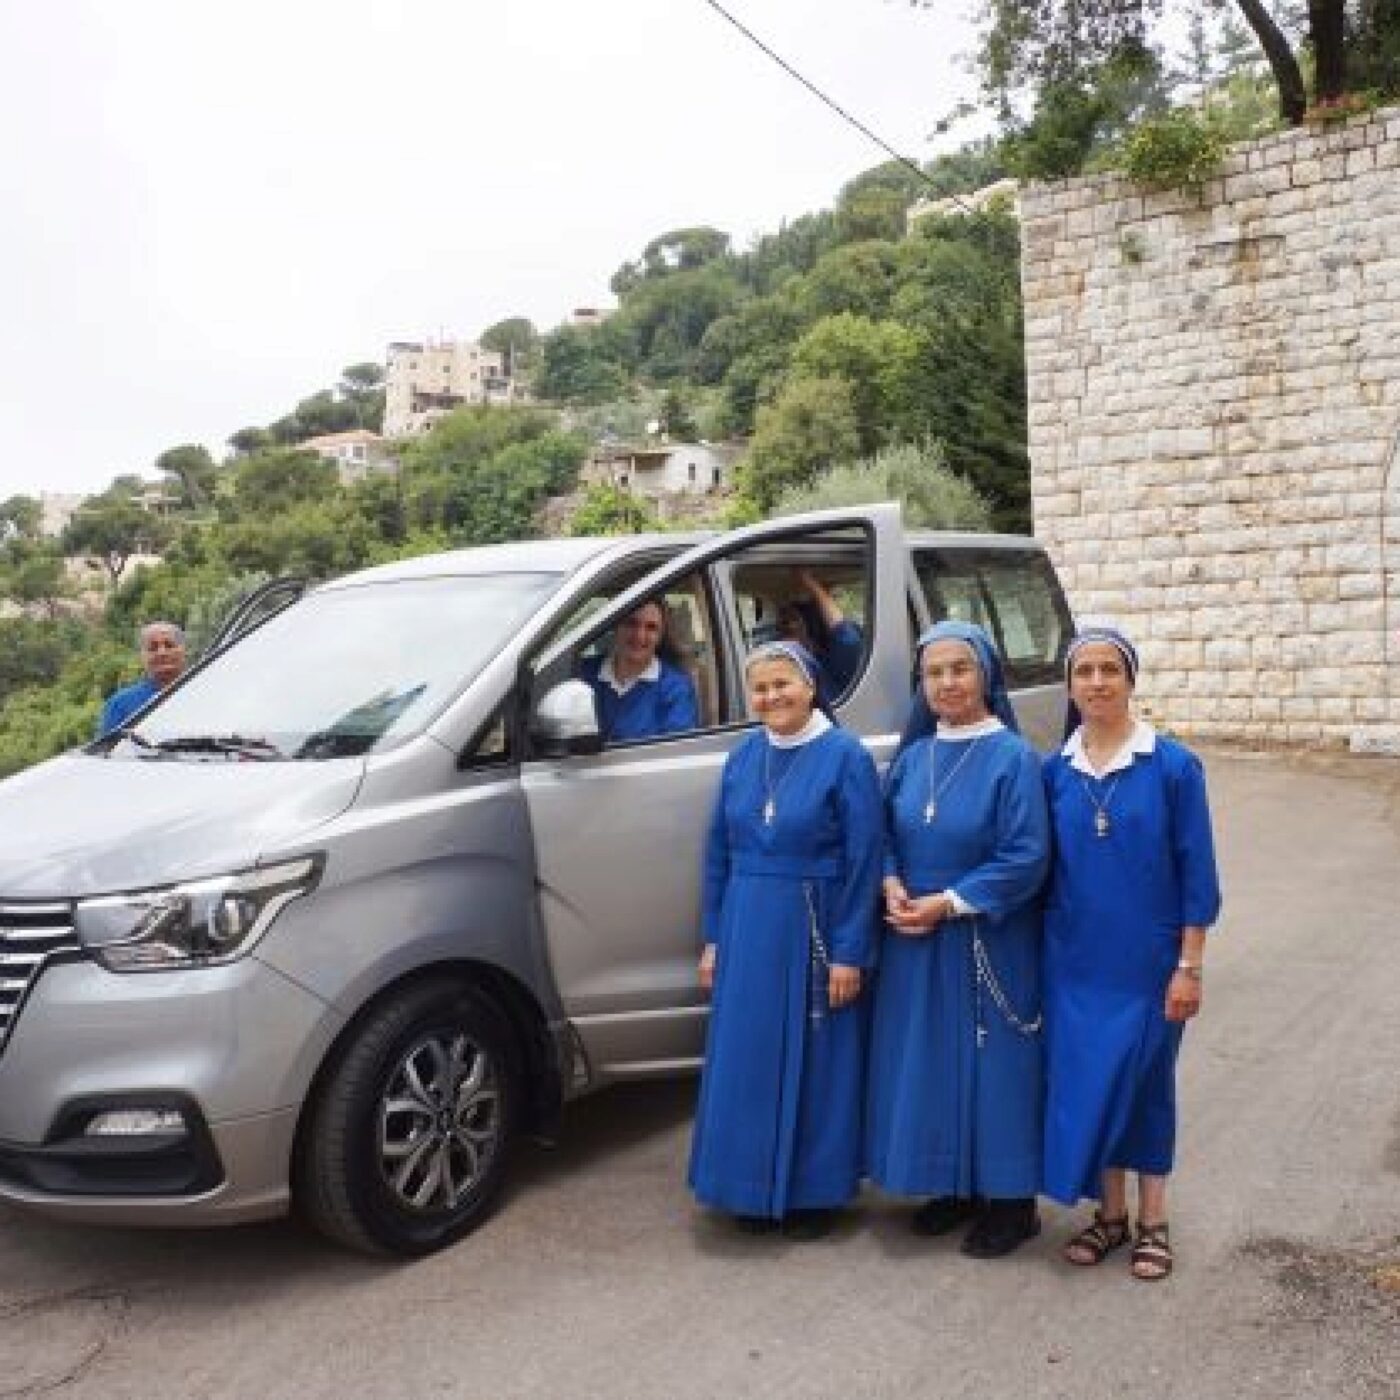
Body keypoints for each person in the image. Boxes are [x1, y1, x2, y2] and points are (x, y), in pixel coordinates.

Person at [865, 621, 1051, 1258]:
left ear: (987, 676)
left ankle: (1009, 1200)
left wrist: (948, 902)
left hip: (982, 935)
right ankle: (951, 1181)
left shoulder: (1013, 759)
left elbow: (1026, 856)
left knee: (992, 1066)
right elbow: (883, 831)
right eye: (934, 672)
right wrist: (890, 880)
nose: (946, 683)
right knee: (934, 1060)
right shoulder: (915, 758)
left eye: (959, 669)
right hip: (915, 931)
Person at [1041, 626, 1222, 1282]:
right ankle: (1109, 1216)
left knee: (1146, 1089)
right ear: (1069, 685)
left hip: (1149, 965)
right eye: (1083, 671)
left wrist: (1189, 965)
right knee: (1091, 1086)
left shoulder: (1172, 767)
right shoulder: (1053, 770)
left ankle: (1154, 1222)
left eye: (1108, 670)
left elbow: (1197, 874)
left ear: (1130, 679)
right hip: (1074, 963)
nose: (1095, 682)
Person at [688, 641, 882, 1239]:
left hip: (814, 921)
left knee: (818, 1059)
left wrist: (850, 951)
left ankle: (814, 1194)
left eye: (783, 685)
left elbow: (864, 859)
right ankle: (745, 1186)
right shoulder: (743, 756)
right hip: (748, 924)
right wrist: (715, 938)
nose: (771, 698)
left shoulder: (845, 756)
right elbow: (719, 852)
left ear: (811, 686)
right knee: (748, 1056)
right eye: (761, 688)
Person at [579, 598, 699, 742]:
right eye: (631, 623)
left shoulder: (676, 689)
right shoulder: (583, 672)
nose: (639, 636)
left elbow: (675, 755)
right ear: (616, 626)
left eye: (651, 627)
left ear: (660, 636)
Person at [776, 569, 864, 700]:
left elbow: (845, 635)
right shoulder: (780, 664)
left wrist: (810, 583)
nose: (789, 626)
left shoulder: (833, 660)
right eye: (783, 625)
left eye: (794, 621)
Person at [96, 621, 187, 737]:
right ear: (143, 656)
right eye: (153, 648)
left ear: (183, 650)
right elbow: (106, 750)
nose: (162, 653)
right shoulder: (120, 704)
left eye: (169, 645)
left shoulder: (205, 695)